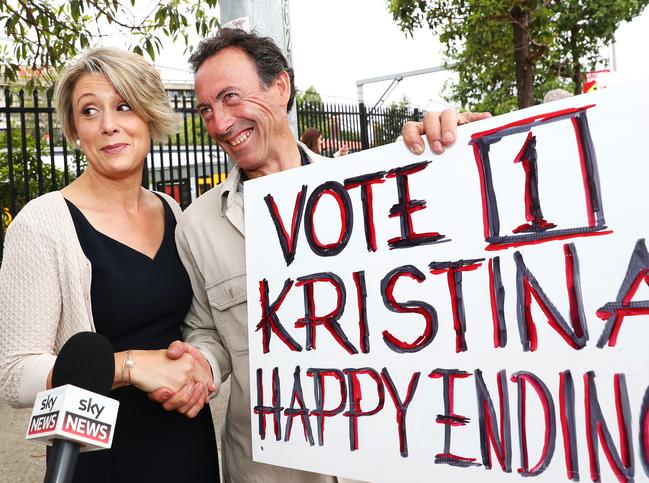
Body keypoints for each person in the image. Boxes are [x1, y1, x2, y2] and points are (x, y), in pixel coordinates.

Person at [150, 28, 490, 483]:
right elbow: (208, 332)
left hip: (383, 462)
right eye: (207, 110)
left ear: (281, 87)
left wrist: (457, 157)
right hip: (269, 470)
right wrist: (200, 368)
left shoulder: (376, 192)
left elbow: (458, 272)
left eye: (231, 98)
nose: (220, 123)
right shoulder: (197, 226)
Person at [0, 47, 219, 482]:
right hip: (102, 460)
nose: (108, 125)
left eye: (123, 106)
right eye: (89, 111)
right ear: (75, 129)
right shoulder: (43, 222)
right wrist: (130, 366)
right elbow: (13, 375)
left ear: (149, 117)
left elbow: (197, 325)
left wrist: (200, 371)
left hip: (187, 440)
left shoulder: (173, 212)